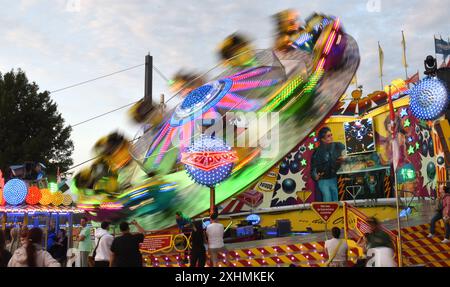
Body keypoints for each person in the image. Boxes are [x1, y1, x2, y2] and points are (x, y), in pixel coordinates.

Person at [311, 127, 345, 202]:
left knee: (335, 198)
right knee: (327, 198)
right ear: (323, 139)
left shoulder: (338, 146)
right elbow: (313, 167)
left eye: (331, 135)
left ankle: (337, 213)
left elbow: (348, 154)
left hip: (334, 178)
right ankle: (328, 213)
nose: (331, 137)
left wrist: (345, 158)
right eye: (328, 136)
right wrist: (315, 176)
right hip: (323, 180)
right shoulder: (317, 152)